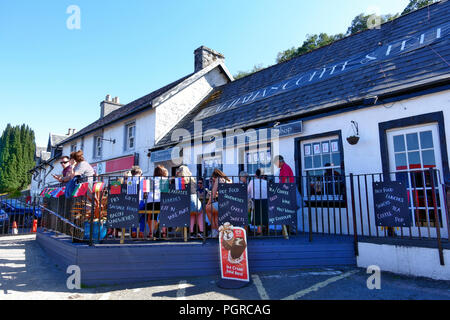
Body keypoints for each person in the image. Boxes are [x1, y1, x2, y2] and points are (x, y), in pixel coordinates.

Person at [175, 166, 203, 238]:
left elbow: (178, 193)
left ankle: (191, 233)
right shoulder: (193, 180)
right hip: (196, 201)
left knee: (191, 215)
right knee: (199, 213)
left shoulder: (179, 180)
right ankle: (201, 232)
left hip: (186, 202)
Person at [206, 168, 232, 237]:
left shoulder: (218, 179)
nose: (213, 180)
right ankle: (218, 231)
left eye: (213, 178)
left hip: (223, 204)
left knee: (208, 208)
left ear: (215, 176)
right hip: (230, 204)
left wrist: (208, 203)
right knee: (215, 214)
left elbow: (213, 194)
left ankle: (214, 230)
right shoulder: (229, 180)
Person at [253, 169, 268, 235]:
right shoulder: (266, 182)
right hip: (265, 202)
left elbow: (248, 191)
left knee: (256, 211)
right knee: (265, 212)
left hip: (255, 201)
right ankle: (266, 228)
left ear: (255, 175)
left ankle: (259, 230)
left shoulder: (252, 182)